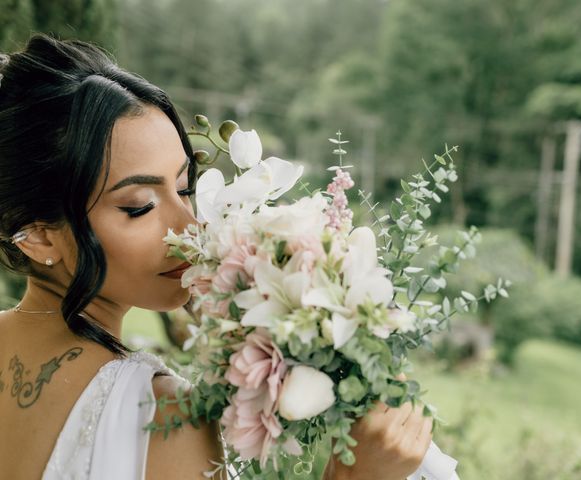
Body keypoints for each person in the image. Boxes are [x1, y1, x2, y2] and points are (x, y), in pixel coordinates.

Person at [0, 33, 433, 479]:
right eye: (140, 206)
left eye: (185, 187)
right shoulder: (163, 418)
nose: (189, 226)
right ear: (37, 237)